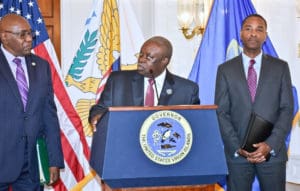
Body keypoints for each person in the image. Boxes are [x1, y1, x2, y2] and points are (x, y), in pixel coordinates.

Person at [214, 13, 293, 191]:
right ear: (241, 33)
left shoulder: (280, 67)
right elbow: (221, 112)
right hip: (237, 155)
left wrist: (270, 144)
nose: (253, 34)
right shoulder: (225, 69)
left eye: (259, 29)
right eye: (248, 29)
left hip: (272, 154)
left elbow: (287, 109)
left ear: (265, 35)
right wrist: (237, 147)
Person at [0, 14, 64, 191]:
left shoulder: (41, 66)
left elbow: (49, 115)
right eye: (22, 35)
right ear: (4, 36)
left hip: (32, 162)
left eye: (30, 34)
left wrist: (53, 160)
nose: (29, 39)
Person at [88, 36, 200, 128]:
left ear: (164, 61)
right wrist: (98, 116)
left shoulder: (187, 90)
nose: (141, 60)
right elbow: (100, 109)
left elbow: (194, 125)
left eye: (149, 57)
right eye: (141, 55)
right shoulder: (118, 81)